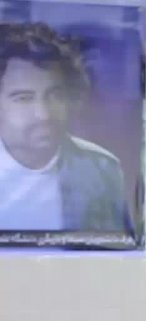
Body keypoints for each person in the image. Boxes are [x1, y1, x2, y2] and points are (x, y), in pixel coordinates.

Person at [0, 22, 131, 233]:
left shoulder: (102, 169)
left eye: (55, 95)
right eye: (24, 98)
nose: (43, 114)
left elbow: (120, 248)